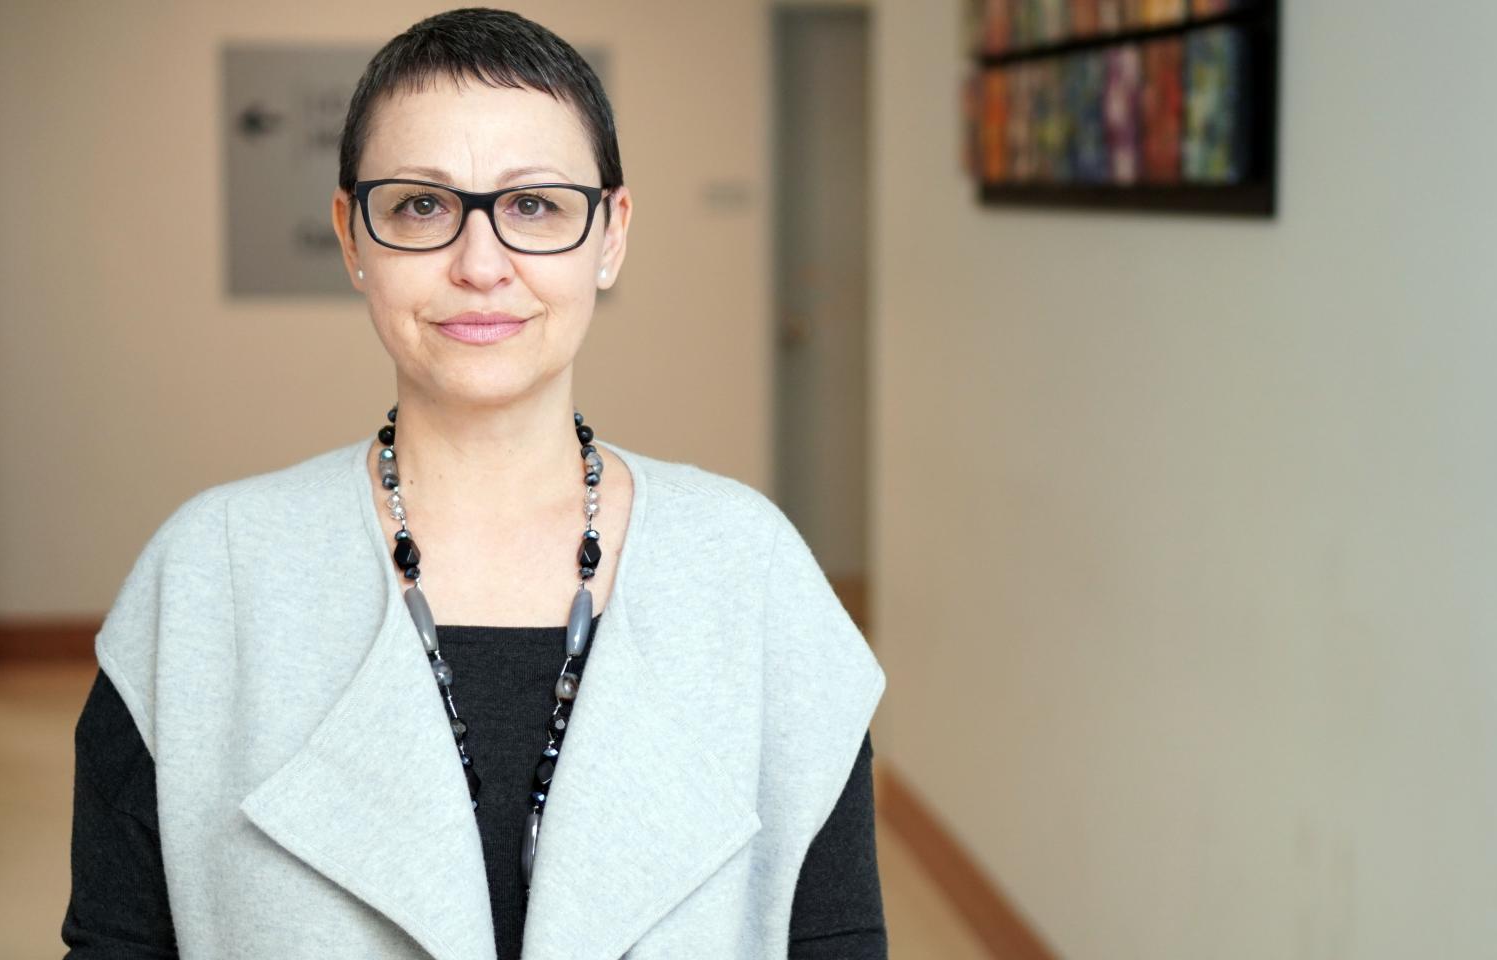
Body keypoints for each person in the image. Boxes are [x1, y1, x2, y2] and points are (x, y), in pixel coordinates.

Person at [61, 8, 887, 959]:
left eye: (535, 205)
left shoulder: (752, 572)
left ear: (610, 234)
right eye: (421, 206)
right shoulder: (208, 576)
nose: (481, 265)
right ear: (351, 236)